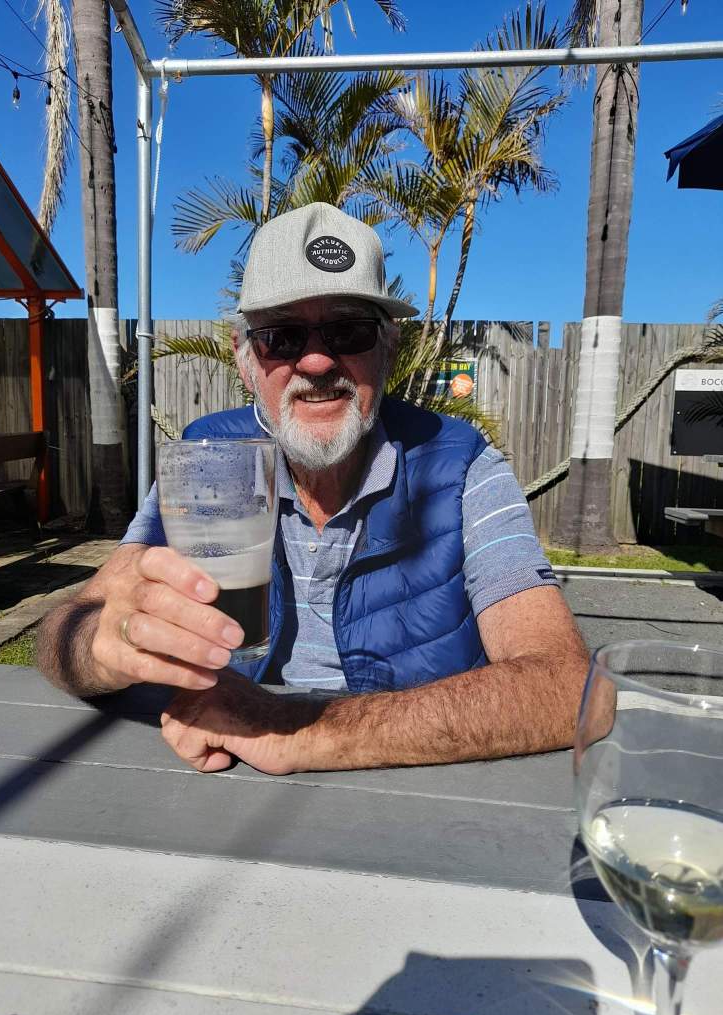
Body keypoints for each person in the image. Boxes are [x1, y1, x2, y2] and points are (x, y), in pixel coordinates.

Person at [38, 202, 590, 776]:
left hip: (422, 787)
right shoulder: (209, 458)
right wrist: (100, 646)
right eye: (281, 336)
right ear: (246, 360)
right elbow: (64, 631)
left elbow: (566, 685)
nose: (318, 361)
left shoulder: (462, 464)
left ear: (388, 348)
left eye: (348, 330)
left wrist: (302, 730)